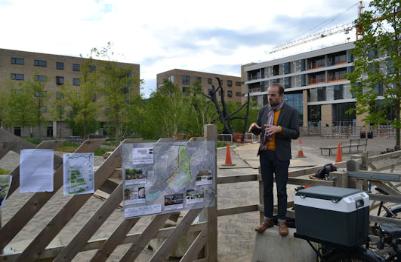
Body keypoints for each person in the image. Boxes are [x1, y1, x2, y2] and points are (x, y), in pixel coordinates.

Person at [248, 83, 299, 237]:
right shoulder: (263, 110)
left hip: (281, 156)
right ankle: (268, 219)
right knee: (267, 189)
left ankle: (282, 222)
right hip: (265, 154)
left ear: (281, 96)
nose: (270, 98)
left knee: (281, 190)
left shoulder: (291, 111)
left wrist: (280, 129)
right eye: (268, 95)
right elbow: (260, 131)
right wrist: (255, 128)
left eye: (273, 95)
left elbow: (296, 133)